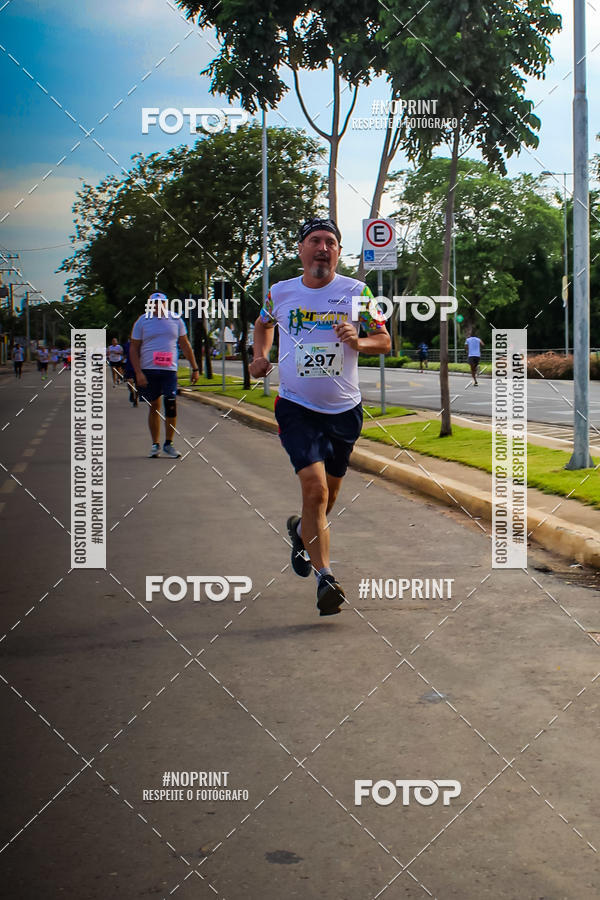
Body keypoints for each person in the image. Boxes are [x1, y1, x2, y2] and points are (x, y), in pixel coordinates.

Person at [249, 217, 391, 617]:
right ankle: (325, 577)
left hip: (345, 410)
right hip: (296, 406)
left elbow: (384, 339)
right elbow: (262, 325)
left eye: (330, 242)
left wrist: (359, 340)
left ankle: (300, 532)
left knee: (326, 499)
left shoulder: (357, 292)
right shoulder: (281, 292)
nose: (323, 248)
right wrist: (260, 356)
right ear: (301, 249)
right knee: (315, 492)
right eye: (315, 241)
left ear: (338, 252)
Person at [129, 292, 200, 458]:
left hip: (169, 370)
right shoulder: (142, 321)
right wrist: (138, 372)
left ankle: (169, 443)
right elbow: (133, 348)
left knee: (171, 404)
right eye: (154, 303)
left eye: (160, 303)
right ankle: (155, 444)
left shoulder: (176, 319)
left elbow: (185, 344)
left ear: (166, 304)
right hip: (149, 369)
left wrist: (195, 368)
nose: (157, 305)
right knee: (154, 405)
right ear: (149, 304)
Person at [122, 339, 138, 407]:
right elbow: (125, 355)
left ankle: (135, 399)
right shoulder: (126, 345)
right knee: (129, 382)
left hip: (138, 367)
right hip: (129, 367)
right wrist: (122, 362)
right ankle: (132, 392)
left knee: (138, 386)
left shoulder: (142, 344)